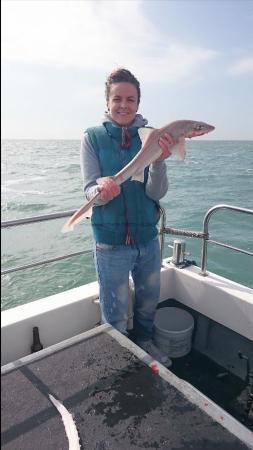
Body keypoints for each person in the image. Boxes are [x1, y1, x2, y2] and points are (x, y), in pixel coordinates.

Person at [80, 68, 175, 366]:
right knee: (116, 312)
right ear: (107, 102)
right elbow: (88, 189)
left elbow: (156, 193)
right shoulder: (92, 137)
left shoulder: (154, 136)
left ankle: (145, 343)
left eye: (130, 99)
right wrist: (100, 189)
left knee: (148, 304)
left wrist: (159, 163)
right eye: (117, 98)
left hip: (147, 238)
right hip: (110, 244)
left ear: (138, 102)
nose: (124, 105)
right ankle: (119, 358)